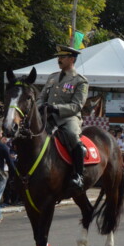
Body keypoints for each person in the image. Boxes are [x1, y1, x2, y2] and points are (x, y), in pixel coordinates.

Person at [37, 45, 89, 190]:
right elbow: (41, 97)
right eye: (58, 57)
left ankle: (79, 175)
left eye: (62, 57)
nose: (59, 59)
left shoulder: (80, 81)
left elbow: (76, 106)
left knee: (72, 136)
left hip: (68, 117)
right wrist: (40, 106)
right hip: (47, 115)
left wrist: (56, 108)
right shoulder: (52, 77)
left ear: (72, 59)